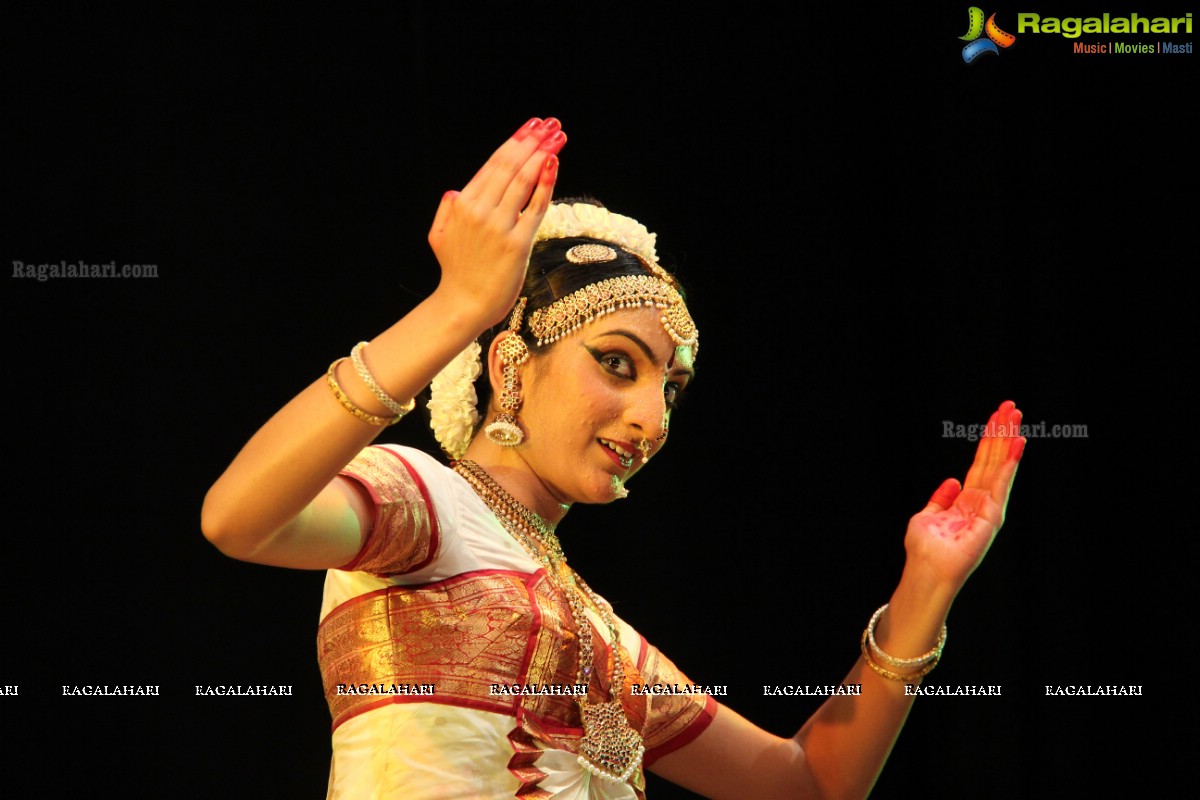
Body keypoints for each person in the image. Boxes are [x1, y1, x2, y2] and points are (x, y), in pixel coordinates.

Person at [201, 116, 1026, 800]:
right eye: (618, 363)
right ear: (509, 364)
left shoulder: (599, 634)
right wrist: (454, 307)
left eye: (671, 387)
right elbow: (239, 519)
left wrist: (926, 586)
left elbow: (805, 784)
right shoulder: (422, 498)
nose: (651, 417)